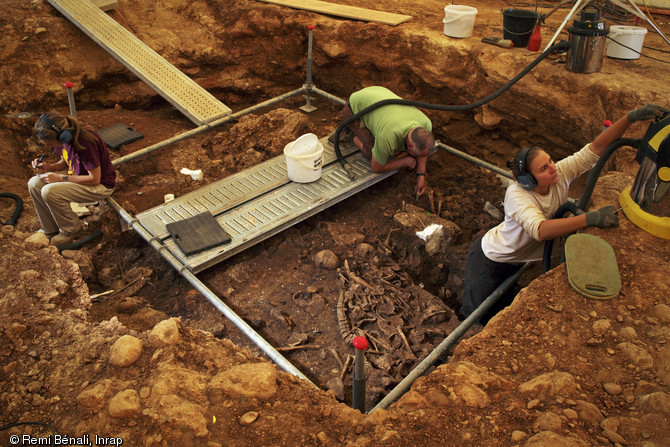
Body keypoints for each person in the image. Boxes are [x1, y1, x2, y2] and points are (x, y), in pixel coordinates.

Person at [459, 103, 669, 325]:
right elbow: (540, 230)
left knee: (502, 309)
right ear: (527, 181)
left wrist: (630, 117)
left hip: (519, 261)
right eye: (543, 168)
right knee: (473, 316)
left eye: (550, 160)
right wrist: (590, 218)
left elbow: (595, 149)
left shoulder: (558, 173)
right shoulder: (517, 195)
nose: (552, 168)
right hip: (491, 259)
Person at [28, 111, 116, 248]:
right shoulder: (66, 137)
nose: (46, 146)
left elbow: (95, 179)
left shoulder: (85, 142)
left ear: (61, 137)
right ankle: (50, 230)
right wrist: (50, 167)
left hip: (100, 186)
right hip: (78, 176)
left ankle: (71, 230)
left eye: (48, 142)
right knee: (34, 184)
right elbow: (65, 161)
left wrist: (61, 178)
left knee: (49, 191)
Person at [342, 86, 435, 197]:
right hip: (354, 109)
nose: (418, 156)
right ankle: (349, 134)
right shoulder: (389, 135)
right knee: (375, 154)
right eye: (415, 154)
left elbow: (422, 152)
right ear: (409, 145)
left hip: (378, 93)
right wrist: (406, 161)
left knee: (390, 152)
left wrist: (421, 175)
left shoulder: (426, 124)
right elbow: (376, 168)